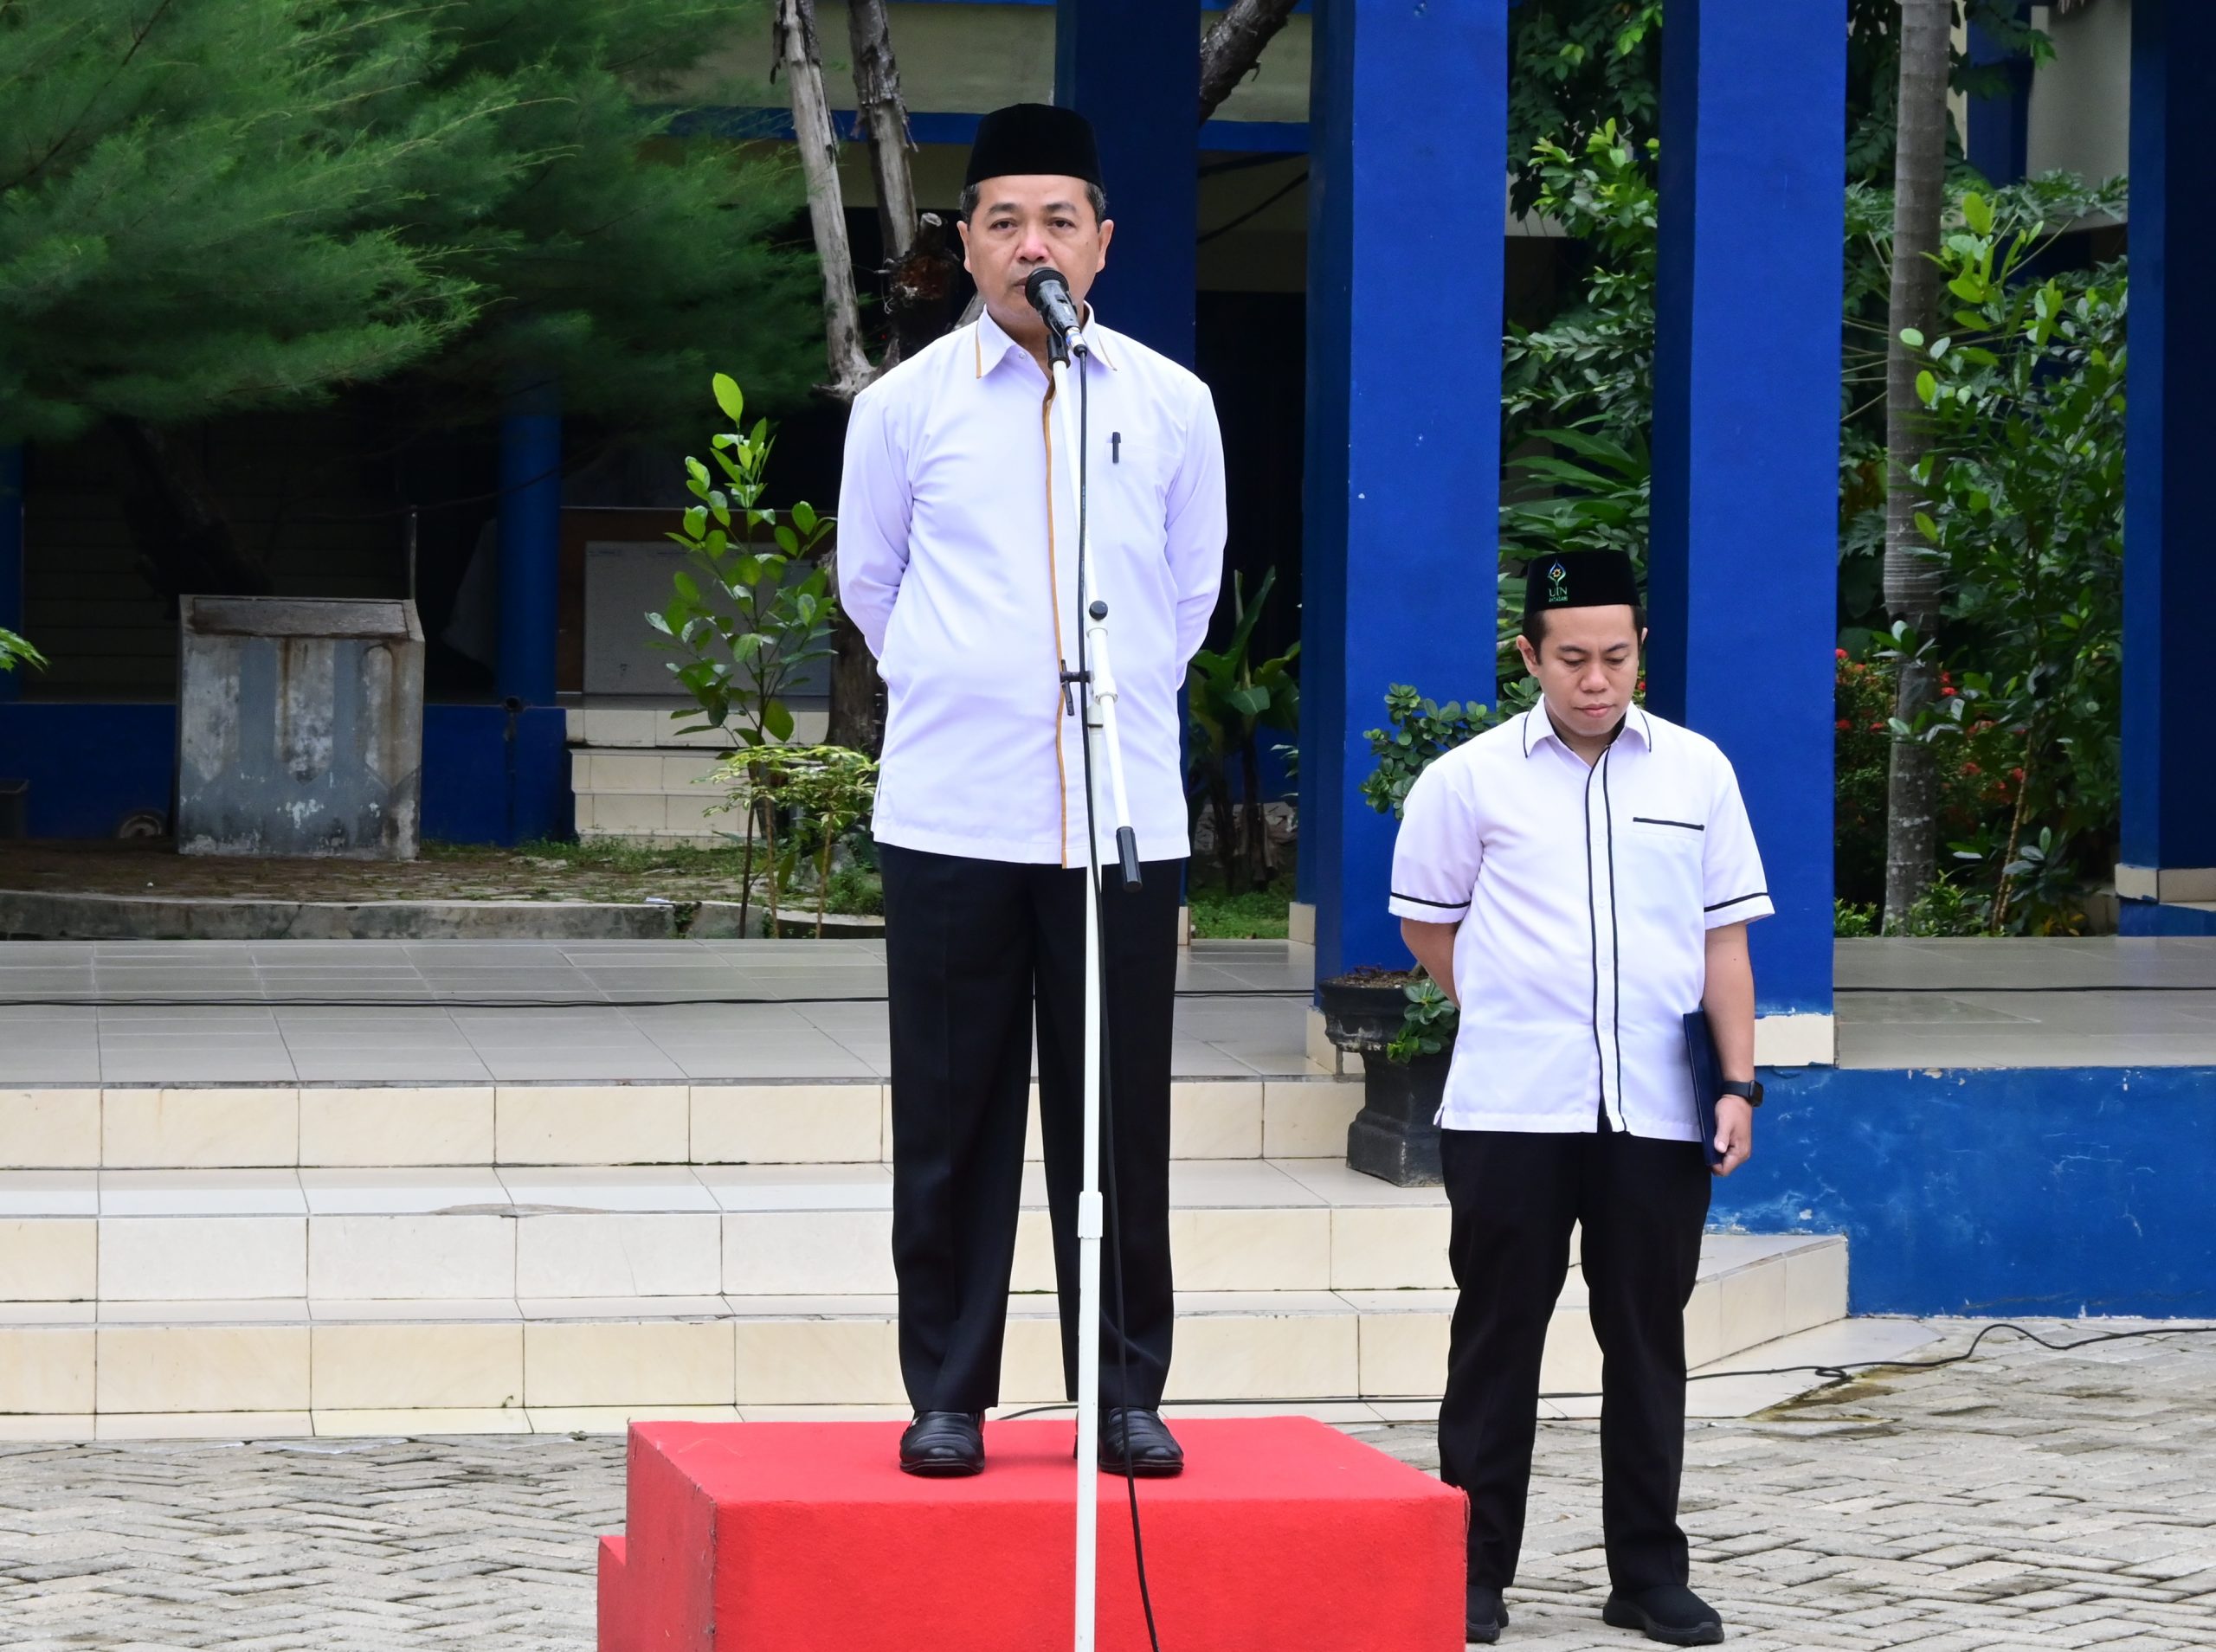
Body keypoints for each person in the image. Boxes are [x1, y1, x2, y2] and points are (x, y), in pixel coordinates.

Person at [836, 103, 1227, 1480]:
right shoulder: (902, 410)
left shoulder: (1171, 405)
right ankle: (949, 1391)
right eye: (1003, 220)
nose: (1031, 244)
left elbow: (1187, 599)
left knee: (1116, 1119)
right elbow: (870, 590)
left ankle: (1122, 1390)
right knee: (950, 1118)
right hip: (953, 815)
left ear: (1102, 243)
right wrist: (976, 685)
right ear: (966, 243)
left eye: (1059, 218)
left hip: (1120, 819)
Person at [1388, 550, 1768, 1647]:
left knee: (1645, 1338)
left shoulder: (1696, 773)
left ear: (1640, 649)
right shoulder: (1467, 779)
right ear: (1528, 657)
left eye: (1615, 656)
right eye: (1571, 659)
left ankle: (1647, 1573)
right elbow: (1426, 920)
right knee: (1496, 1335)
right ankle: (1472, 1570)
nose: (1595, 679)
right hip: (1511, 1106)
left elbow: (1723, 938)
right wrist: (1504, 1001)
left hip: (1655, 1111)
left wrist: (1738, 1082)